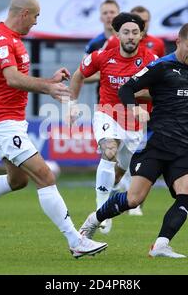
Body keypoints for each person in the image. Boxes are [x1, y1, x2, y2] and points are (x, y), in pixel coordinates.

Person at [0, 0, 107, 259]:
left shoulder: (12, 39)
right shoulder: (2, 39)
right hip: (3, 122)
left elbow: (18, 78)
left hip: (11, 120)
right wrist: (49, 87)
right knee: (46, 176)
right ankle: (76, 240)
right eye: (36, 17)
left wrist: (48, 80)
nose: (36, 23)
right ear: (24, 14)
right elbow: (13, 79)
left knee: (17, 180)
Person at [78, 23, 188, 258]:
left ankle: (161, 245)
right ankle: (92, 221)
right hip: (156, 144)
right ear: (178, 42)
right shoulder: (161, 66)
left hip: (183, 147)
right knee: (134, 199)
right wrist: (134, 109)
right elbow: (126, 89)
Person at [69, 12, 158, 234]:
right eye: (126, 32)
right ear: (117, 34)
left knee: (119, 171)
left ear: (141, 35)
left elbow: (160, 92)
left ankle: (106, 202)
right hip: (107, 113)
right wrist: (72, 104)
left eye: (135, 33)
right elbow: (78, 75)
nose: (130, 36)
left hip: (134, 126)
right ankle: (100, 212)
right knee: (109, 151)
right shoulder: (101, 57)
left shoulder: (152, 61)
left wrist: (141, 102)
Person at [102, 5, 166, 216]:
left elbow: (159, 84)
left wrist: (138, 93)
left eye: (145, 22)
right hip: (114, 109)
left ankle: (126, 197)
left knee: (129, 162)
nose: (142, 26)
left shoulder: (156, 47)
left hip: (144, 114)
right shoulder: (112, 45)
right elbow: (96, 70)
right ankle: (106, 200)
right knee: (111, 153)